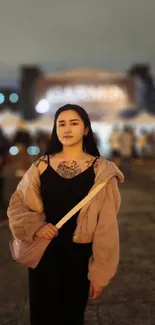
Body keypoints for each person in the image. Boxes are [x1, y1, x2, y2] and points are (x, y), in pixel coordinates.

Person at [7, 104, 124, 325]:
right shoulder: (41, 165)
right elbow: (17, 204)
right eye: (61, 123)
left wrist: (100, 273)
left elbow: (106, 227)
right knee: (42, 315)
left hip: (78, 257)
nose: (67, 129)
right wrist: (36, 226)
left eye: (74, 123)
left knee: (71, 316)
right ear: (55, 129)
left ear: (86, 129)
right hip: (44, 253)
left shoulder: (102, 171)